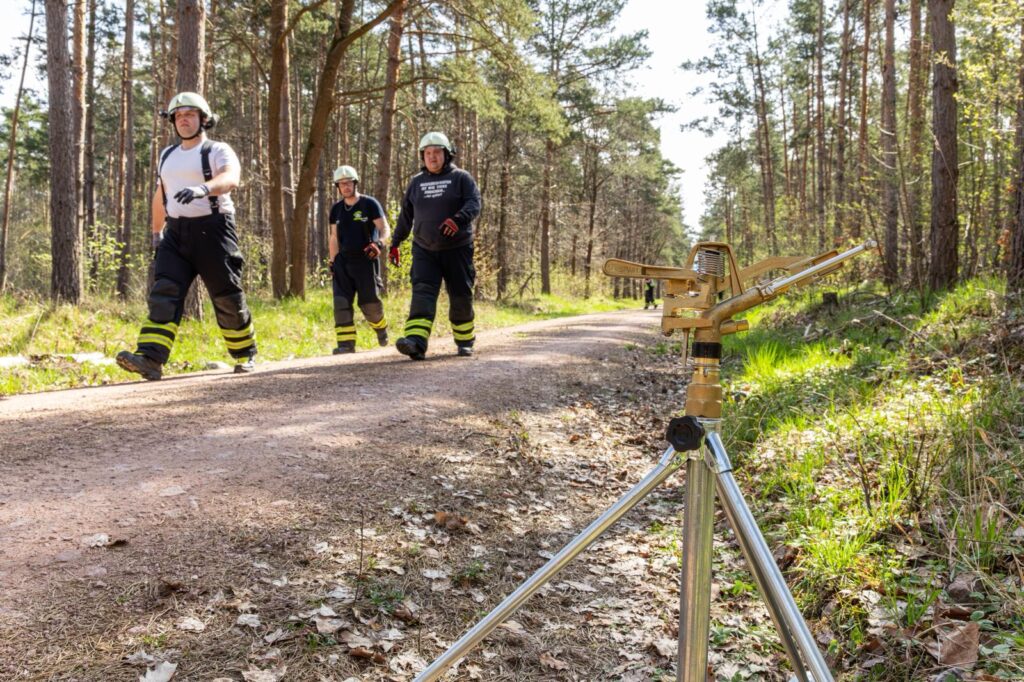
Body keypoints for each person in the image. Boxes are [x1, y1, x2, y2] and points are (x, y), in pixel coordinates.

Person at [116, 92, 256, 381]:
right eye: (178, 116)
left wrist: (203, 189)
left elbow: (231, 178)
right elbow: (161, 194)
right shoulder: (167, 155)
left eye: (189, 114)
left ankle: (244, 353)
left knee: (226, 295)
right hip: (176, 234)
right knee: (164, 292)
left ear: (203, 119)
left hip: (214, 230)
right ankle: (150, 359)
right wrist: (156, 234)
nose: (183, 120)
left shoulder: (217, 150)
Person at [388, 132, 481, 360]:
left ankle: (464, 340)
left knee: (460, 294)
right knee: (422, 293)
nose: (432, 157)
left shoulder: (461, 178)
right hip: (424, 249)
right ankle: (416, 343)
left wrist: (458, 220)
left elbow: (474, 203)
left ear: (446, 154)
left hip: (457, 248)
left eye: (437, 152)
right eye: (427, 153)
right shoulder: (416, 182)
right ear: (423, 156)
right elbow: (406, 216)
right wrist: (396, 242)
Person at [328, 165, 390, 353]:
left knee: (369, 303)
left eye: (348, 183)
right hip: (343, 262)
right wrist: (333, 261)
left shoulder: (369, 204)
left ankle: (381, 328)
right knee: (341, 303)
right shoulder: (336, 209)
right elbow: (333, 237)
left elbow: (384, 229)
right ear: (338, 187)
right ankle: (345, 345)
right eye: (341, 184)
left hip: (365, 261)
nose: (345, 187)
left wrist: (379, 244)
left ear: (355, 183)